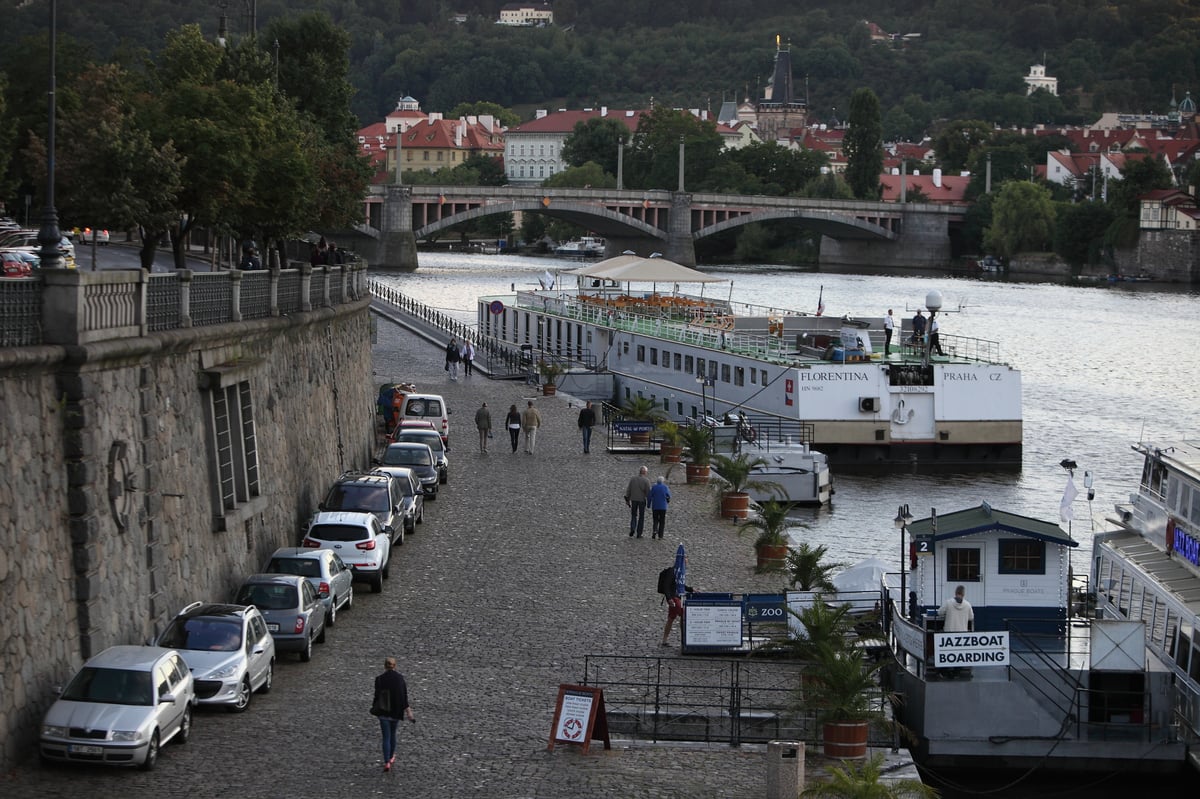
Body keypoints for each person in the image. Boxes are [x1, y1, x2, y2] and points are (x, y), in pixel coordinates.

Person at [372, 656, 414, 772]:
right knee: (393, 735)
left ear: (384, 666)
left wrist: (374, 709)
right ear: (395, 666)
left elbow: (377, 696)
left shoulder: (379, 679)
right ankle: (391, 757)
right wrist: (408, 711)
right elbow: (403, 696)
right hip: (395, 711)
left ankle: (386, 762)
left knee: (386, 737)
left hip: (383, 711)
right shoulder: (400, 679)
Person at [661, 559, 693, 647]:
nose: (685, 566)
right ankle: (684, 639)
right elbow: (666, 586)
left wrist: (691, 589)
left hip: (676, 598)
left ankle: (664, 640)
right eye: (684, 564)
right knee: (683, 615)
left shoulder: (678, 572)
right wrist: (669, 598)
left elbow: (681, 585)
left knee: (671, 618)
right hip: (674, 599)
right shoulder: (672, 572)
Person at [624, 465, 652, 538]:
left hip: (634, 499)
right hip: (642, 500)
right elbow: (648, 492)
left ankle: (633, 528)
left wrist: (627, 499)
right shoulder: (646, 481)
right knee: (641, 517)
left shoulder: (633, 479)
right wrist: (649, 501)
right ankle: (639, 533)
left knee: (633, 515)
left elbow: (629, 489)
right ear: (645, 472)